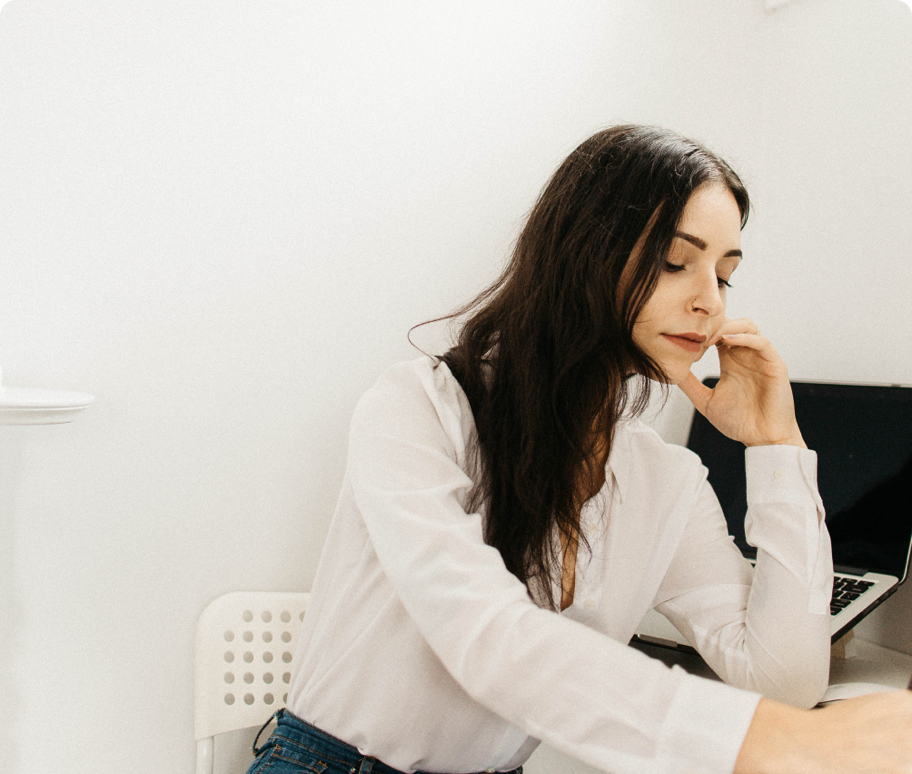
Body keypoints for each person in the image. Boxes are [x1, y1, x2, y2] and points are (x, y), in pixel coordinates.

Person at [247, 126, 912, 774]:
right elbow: (486, 639)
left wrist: (778, 447)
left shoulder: (663, 480)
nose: (710, 302)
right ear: (586, 252)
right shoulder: (419, 406)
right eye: (676, 262)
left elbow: (783, 681)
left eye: (725, 275)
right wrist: (767, 741)